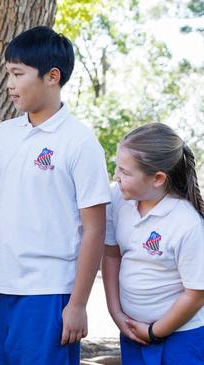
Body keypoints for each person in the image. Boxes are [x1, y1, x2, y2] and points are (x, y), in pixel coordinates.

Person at [0, 26, 111, 364]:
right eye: (8, 73)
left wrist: (77, 304)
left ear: (52, 76)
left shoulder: (80, 141)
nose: (9, 84)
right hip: (1, 289)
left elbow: (95, 228)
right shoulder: (2, 135)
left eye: (18, 74)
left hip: (49, 293)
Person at [103, 123, 204, 364]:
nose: (116, 176)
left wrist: (154, 331)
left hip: (182, 337)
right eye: (117, 166)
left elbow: (196, 293)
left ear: (158, 178)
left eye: (126, 172)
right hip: (132, 333)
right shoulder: (118, 199)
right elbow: (111, 254)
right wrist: (116, 313)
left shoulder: (186, 223)